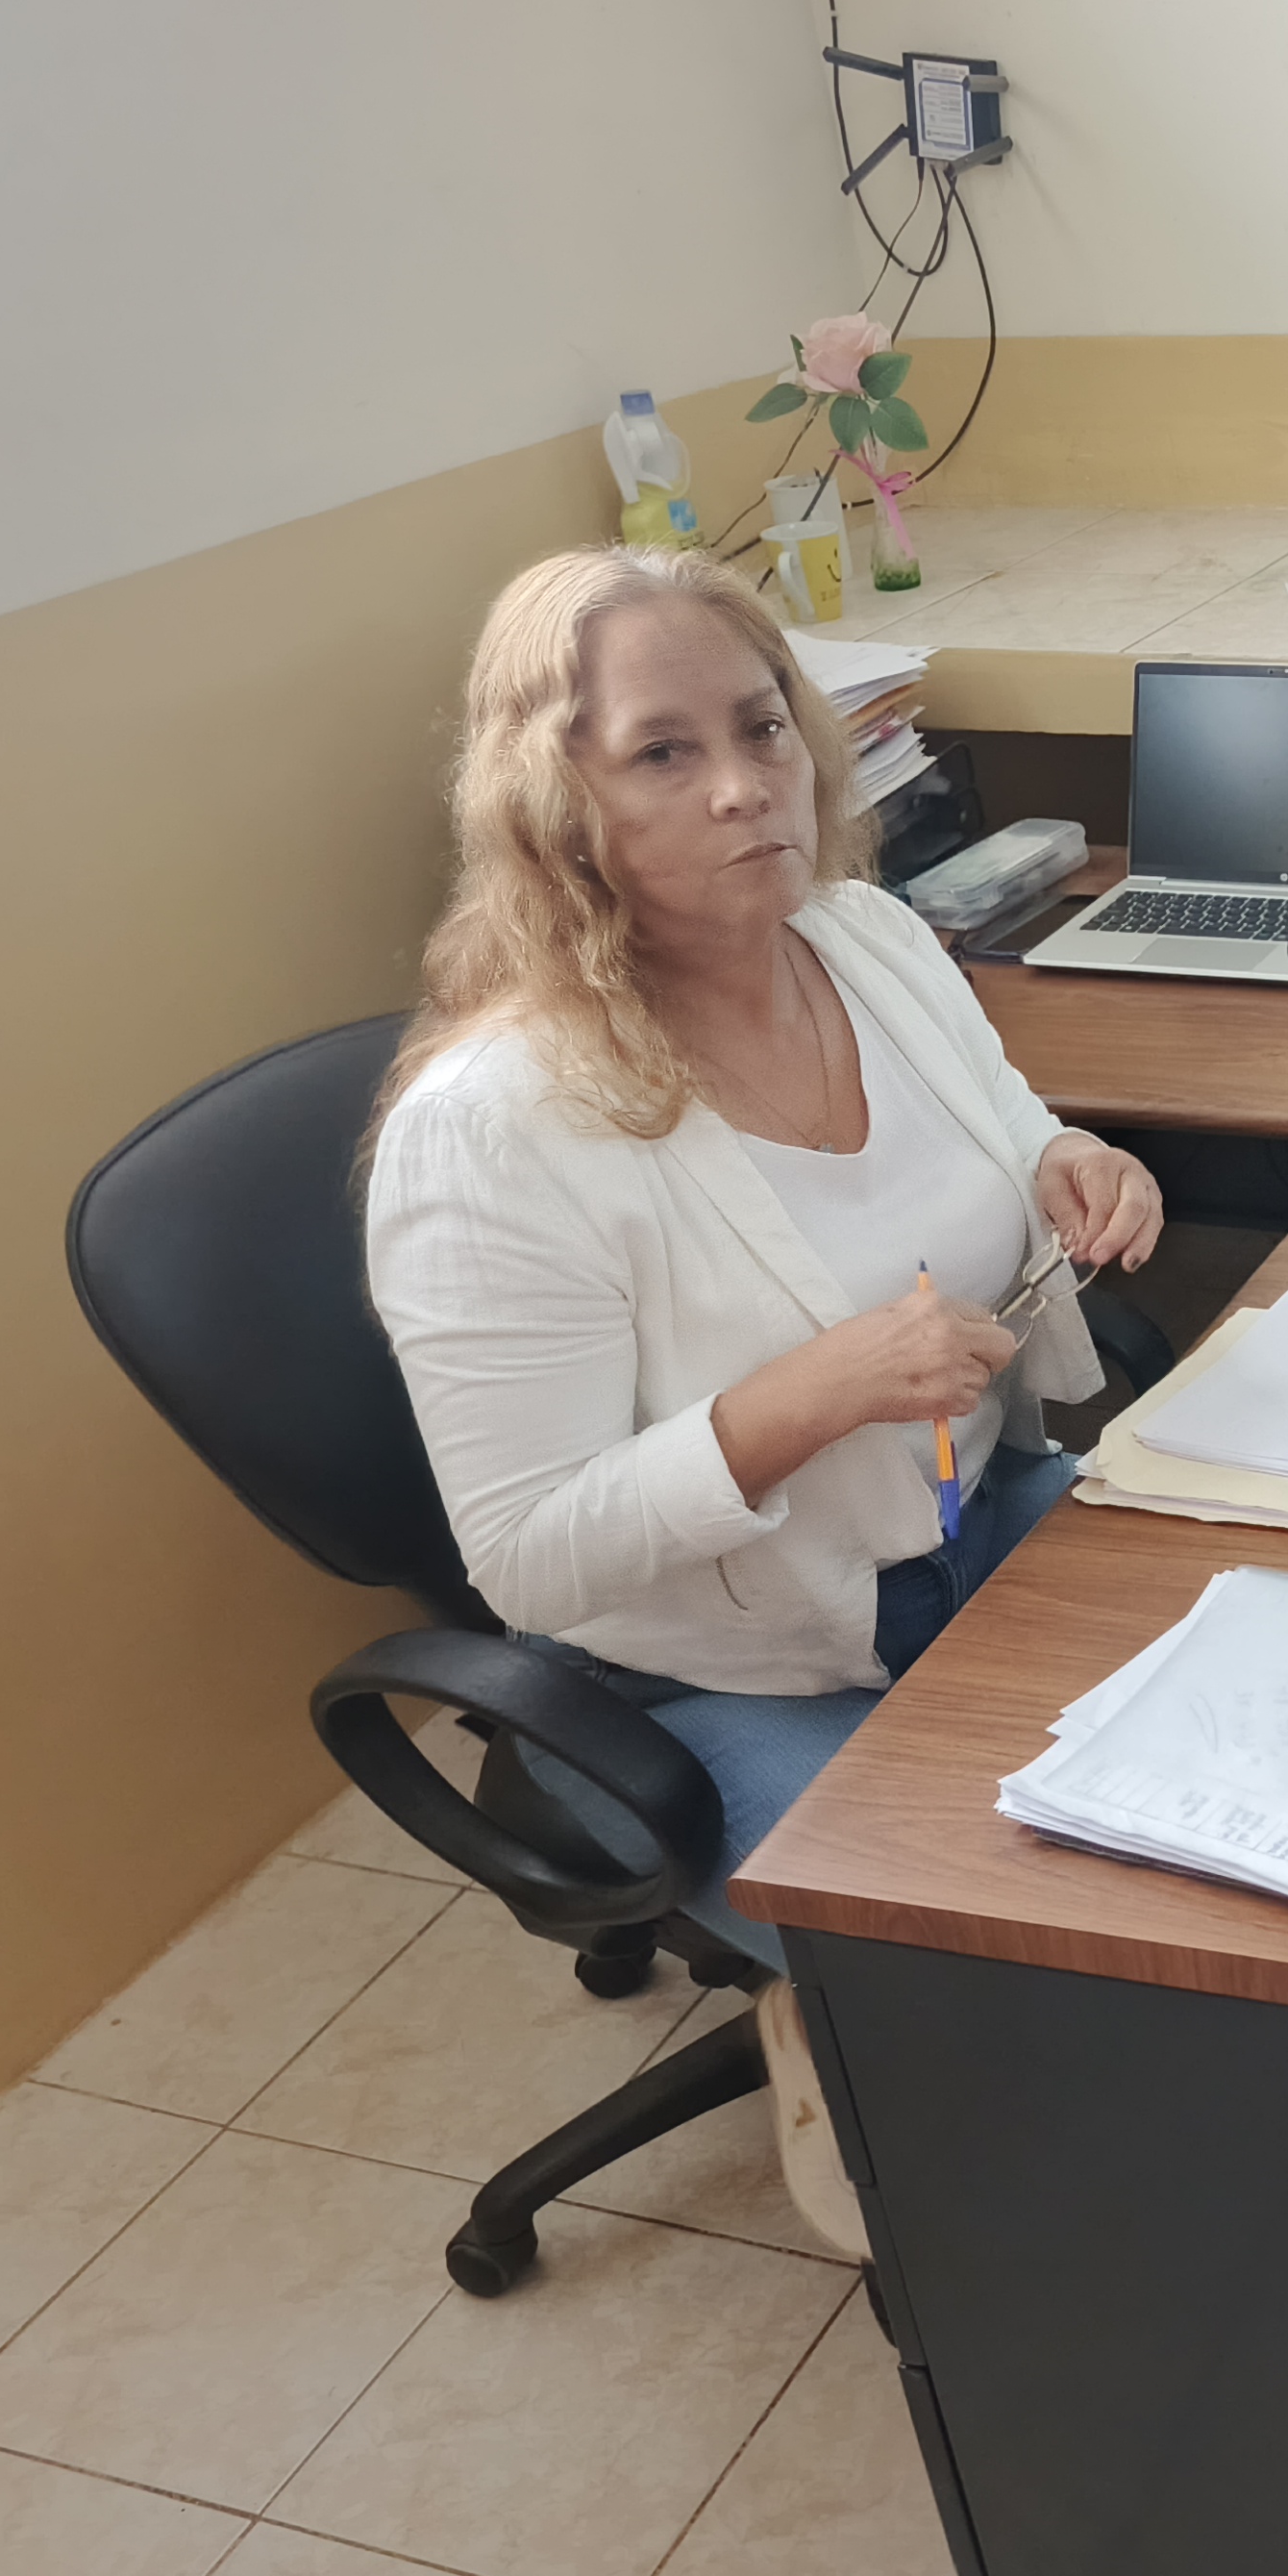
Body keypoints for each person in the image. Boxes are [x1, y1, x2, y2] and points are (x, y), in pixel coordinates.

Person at [364, 546, 1162, 1975]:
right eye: (662, 752)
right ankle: (840, 2055)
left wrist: (1069, 1163)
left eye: (763, 725)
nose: (744, 787)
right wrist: (815, 1393)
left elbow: (1008, 1126)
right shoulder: (492, 1130)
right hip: (724, 1670)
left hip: (974, 1524)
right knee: (1008, 1983)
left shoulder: (868, 940)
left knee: (1273, 1762)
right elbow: (529, 1559)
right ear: (556, 802)